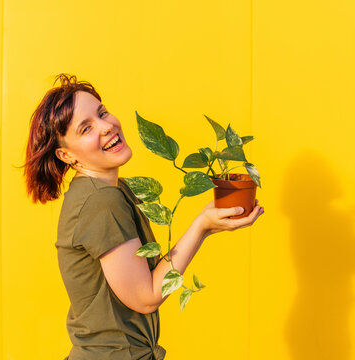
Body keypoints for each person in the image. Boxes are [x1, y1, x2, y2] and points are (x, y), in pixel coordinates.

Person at [22, 73, 265, 360]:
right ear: (66, 156)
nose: (106, 126)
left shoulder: (111, 189)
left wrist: (209, 227)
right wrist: (200, 226)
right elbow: (146, 296)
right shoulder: (101, 201)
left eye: (102, 113)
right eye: (86, 129)